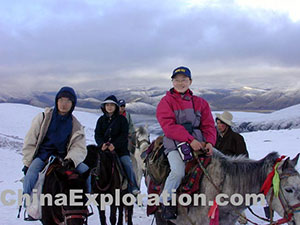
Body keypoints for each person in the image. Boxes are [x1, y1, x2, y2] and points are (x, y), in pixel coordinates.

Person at [156, 66, 216, 220]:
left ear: (190, 81)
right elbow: (169, 127)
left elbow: (208, 125)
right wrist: (190, 140)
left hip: (199, 143)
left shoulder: (201, 103)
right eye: (177, 80)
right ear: (172, 82)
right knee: (178, 171)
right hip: (175, 144)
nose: (180, 83)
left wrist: (209, 142)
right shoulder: (166, 102)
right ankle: (166, 202)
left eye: (184, 80)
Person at [22, 86, 90, 219]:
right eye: (61, 100)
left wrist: (71, 159)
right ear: (56, 101)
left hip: (64, 157)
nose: (64, 104)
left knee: (85, 171)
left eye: (68, 101)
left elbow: (79, 146)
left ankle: (84, 202)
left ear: (73, 104)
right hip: (43, 156)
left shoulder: (75, 124)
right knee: (31, 174)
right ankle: (28, 204)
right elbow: (30, 139)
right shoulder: (43, 117)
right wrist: (28, 161)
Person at [94, 95, 140, 195]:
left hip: (120, 150)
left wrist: (114, 145)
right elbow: (97, 134)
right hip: (104, 149)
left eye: (112, 105)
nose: (109, 107)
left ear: (115, 107)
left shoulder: (122, 120)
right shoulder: (101, 120)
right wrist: (101, 144)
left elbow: (124, 135)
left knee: (127, 163)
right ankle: (91, 187)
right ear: (104, 107)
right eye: (107, 105)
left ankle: (133, 186)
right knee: (93, 164)